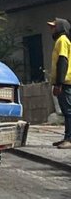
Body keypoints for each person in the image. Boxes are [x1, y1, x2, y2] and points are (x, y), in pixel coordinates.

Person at [47, 18, 71, 149]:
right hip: (65, 81)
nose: (52, 30)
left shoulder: (62, 40)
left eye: (54, 27)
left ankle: (69, 139)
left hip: (65, 82)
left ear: (61, 28)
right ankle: (67, 137)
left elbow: (63, 61)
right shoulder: (61, 40)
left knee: (68, 111)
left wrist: (59, 83)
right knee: (66, 111)